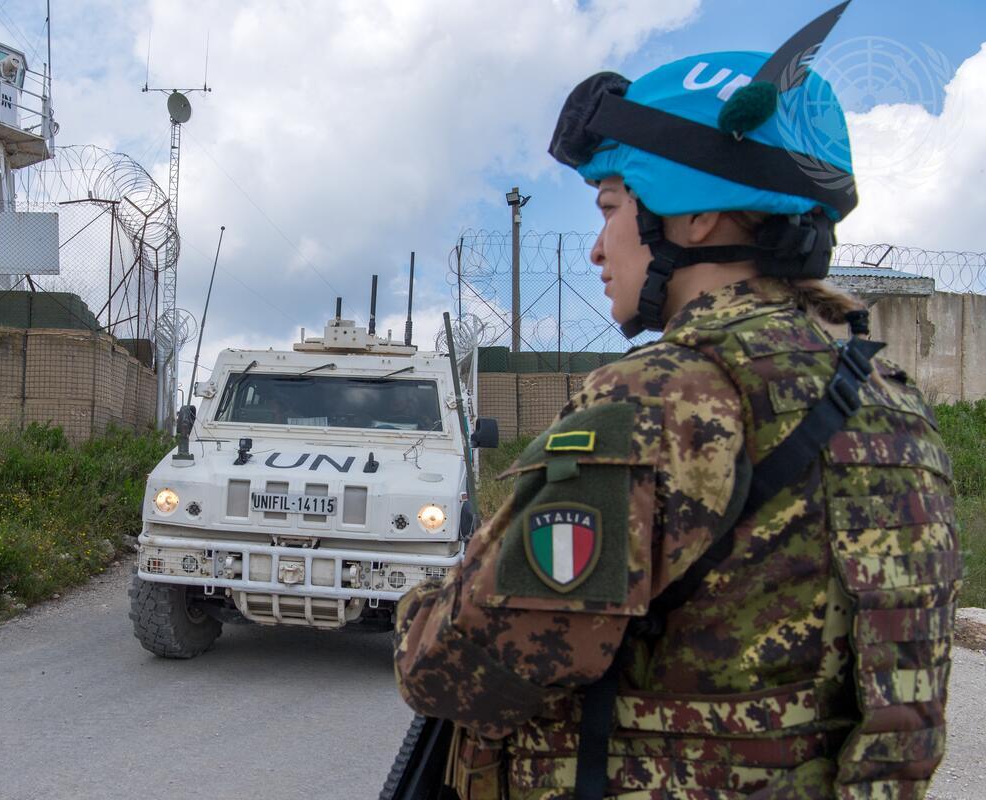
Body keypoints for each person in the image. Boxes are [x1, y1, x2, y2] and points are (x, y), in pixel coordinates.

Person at [392, 4, 959, 799]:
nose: (596, 246)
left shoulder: (660, 400)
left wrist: (424, 603)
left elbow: (454, 673)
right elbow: (904, 723)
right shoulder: (897, 409)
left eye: (611, 209)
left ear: (692, 215)